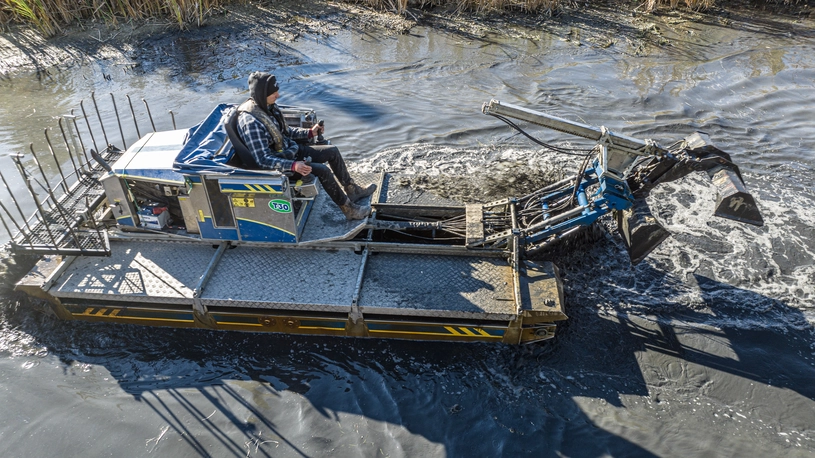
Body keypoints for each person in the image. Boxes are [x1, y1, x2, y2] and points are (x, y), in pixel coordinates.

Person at [235, 71, 376, 220]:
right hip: (280, 165)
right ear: (261, 94)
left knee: (332, 151)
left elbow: (286, 132)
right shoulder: (251, 122)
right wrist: (294, 166)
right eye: (273, 93)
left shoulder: (269, 108)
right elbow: (263, 159)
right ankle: (349, 210)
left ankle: (352, 190)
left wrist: (310, 133)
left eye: (277, 91)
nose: (278, 96)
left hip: (290, 151)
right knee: (323, 170)